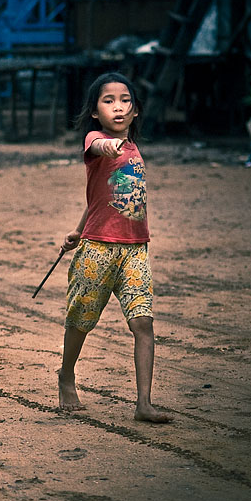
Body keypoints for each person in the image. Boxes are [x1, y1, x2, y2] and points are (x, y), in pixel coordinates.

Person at [56, 72, 171, 423]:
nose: (118, 107)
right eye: (108, 101)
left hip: (136, 249)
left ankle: (144, 404)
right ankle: (66, 375)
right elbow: (98, 146)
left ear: (135, 111)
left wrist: (76, 228)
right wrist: (111, 145)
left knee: (144, 324)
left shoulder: (135, 150)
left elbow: (100, 198)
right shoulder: (95, 141)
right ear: (95, 111)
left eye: (125, 101)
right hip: (98, 251)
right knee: (81, 321)